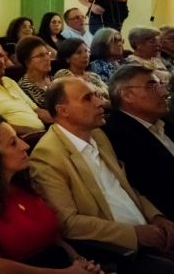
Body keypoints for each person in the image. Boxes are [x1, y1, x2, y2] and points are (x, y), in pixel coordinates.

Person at [30, 78, 174, 271]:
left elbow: (125, 187)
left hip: (148, 231)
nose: (100, 102)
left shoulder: (98, 135)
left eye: (97, 95)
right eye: (87, 98)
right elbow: (68, 223)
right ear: (63, 110)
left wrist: (156, 217)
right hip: (115, 250)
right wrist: (134, 234)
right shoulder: (48, 155)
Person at [0, 116, 99, 273]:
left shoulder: (21, 182)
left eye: (19, 138)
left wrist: (79, 261)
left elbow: (54, 238)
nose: (25, 145)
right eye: (13, 143)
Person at [104, 65, 174, 220]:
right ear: (127, 95)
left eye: (161, 85)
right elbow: (156, 190)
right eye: (152, 86)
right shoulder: (118, 134)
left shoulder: (164, 121)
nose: (165, 93)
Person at [15, 35, 55, 108]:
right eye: (41, 55)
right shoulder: (26, 87)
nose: (47, 58)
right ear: (28, 63)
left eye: (47, 53)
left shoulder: (53, 79)